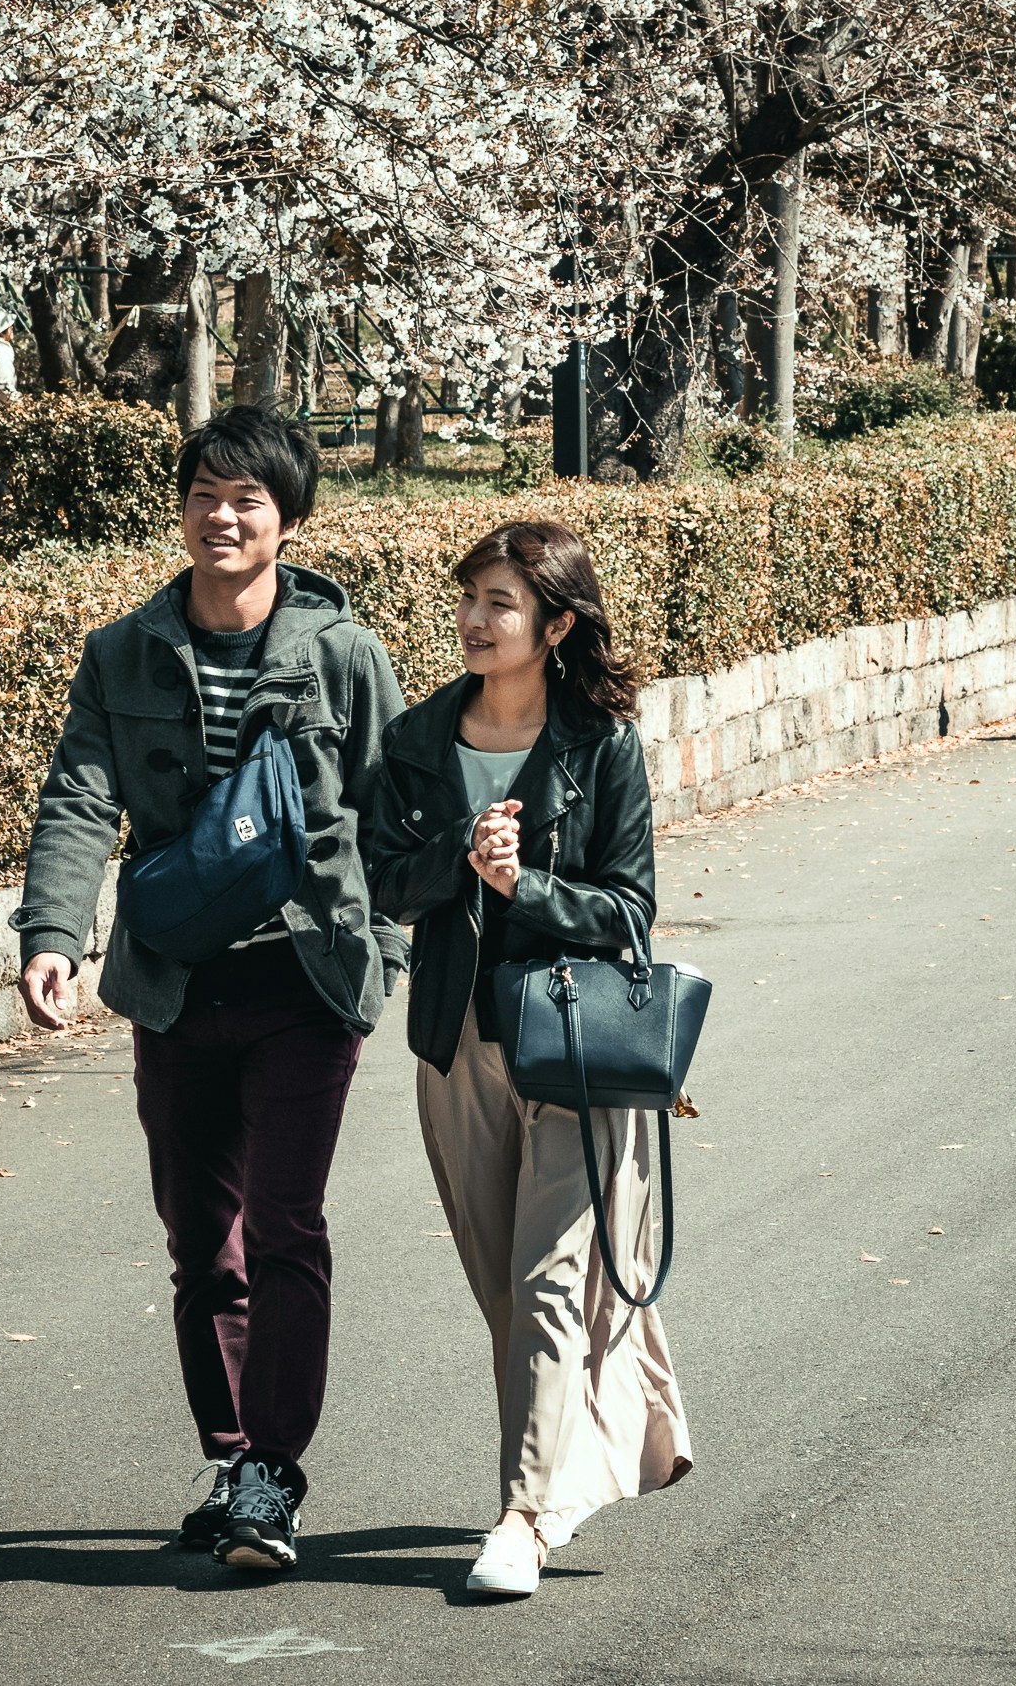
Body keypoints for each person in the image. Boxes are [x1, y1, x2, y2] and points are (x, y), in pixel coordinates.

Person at [11, 406, 407, 1577]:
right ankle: (231, 1452)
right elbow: (80, 797)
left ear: (288, 520)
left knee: (286, 1224)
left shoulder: (345, 653)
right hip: (177, 984)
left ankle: (272, 1474)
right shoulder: (121, 651)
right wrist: (53, 932)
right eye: (205, 494)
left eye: (248, 500)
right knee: (201, 1243)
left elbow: (393, 811)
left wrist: (380, 957)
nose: (222, 516)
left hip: (303, 978)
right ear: (181, 507)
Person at [366, 520, 691, 1602]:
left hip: (576, 1043)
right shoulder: (418, 741)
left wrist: (528, 892)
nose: (474, 618)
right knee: (508, 1288)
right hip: (457, 1042)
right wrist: (457, 852)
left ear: (555, 624)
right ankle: (612, 1425)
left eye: (500, 602)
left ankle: (522, 1518)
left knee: (554, 1283)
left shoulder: (601, 747)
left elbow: (631, 911)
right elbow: (378, 881)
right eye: (469, 597)